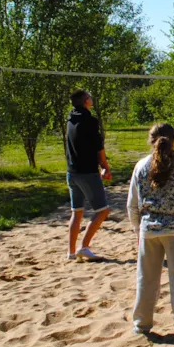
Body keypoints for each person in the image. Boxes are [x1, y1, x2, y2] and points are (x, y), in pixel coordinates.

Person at [127, 123, 174, 340]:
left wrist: (138, 229)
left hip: (149, 231)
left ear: (150, 140)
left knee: (146, 279)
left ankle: (141, 325)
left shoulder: (140, 167)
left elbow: (132, 204)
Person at [65, 89, 112, 262]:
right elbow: (98, 146)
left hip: (72, 172)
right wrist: (105, 167)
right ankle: (83, 247)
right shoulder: (90, 121)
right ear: (86, 101)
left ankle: (70, 253)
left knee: (76, 213)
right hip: (87, 172)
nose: (92, 98)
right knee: (103, 211)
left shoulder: (70, 119)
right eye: (90, 97)